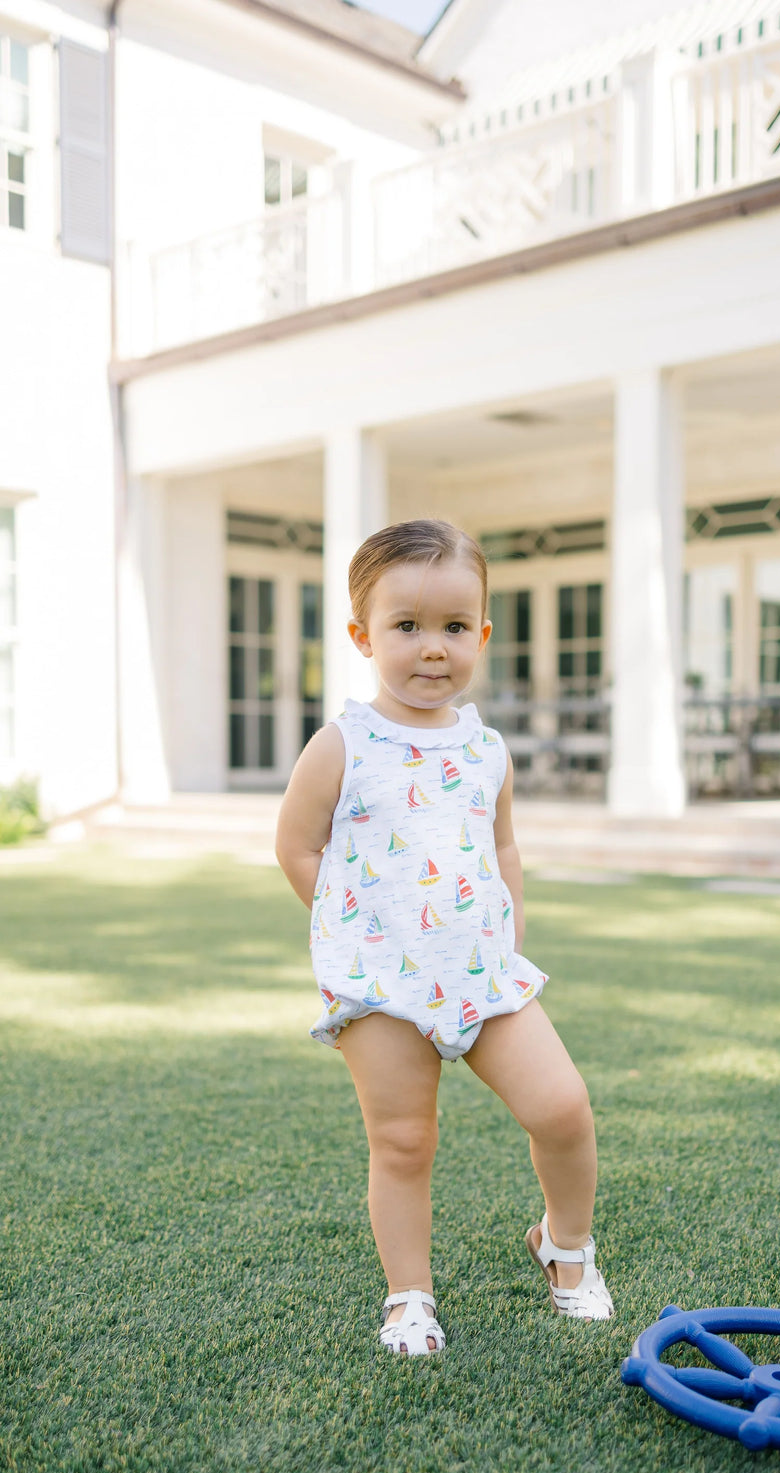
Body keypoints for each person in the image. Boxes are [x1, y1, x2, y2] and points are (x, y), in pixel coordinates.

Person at [275, 519, 613, 1355]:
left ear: (482, 637)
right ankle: (409, 1297)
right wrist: (359, 930)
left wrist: (510, 928)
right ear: (363, 636)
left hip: (482, 971)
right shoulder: (342, 745)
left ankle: (566, 1247)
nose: (433, 647)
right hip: (382, 983)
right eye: (407, 626)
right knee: (403, 1140)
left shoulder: (487, 749)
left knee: (563, 1107)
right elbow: (297, 845)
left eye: (455, 627)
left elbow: (503, 847)